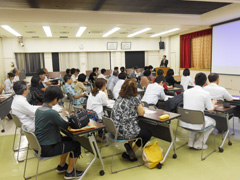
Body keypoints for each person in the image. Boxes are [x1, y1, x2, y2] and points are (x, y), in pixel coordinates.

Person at [35, 86, 83, 179]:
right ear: (55, 98)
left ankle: (62, 166)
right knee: (76, 145)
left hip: (40, 144)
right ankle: (70, 172)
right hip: (47, 148)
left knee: (68, 139)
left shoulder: (39, 109)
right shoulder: (51, 113)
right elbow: (65, 125)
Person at [111, 79, 152, 161]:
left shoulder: (119, 97)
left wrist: (138, 104)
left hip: (114, 130)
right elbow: (142, 113)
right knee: (147, 134)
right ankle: (131, 153)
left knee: (135, 127)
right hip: (124, 132)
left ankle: (129, 147)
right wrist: (140, 105)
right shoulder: (135, 98)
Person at [181, 73, 217, 150]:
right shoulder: (206, 94)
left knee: (193, 116)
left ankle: (190, 142)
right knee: (213, 122)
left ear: (194, 81)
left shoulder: (186, 92)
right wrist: (213, 103)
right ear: (205, 83)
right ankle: (199, 143)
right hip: (197, 123)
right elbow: (210, 110)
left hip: (184, 122)